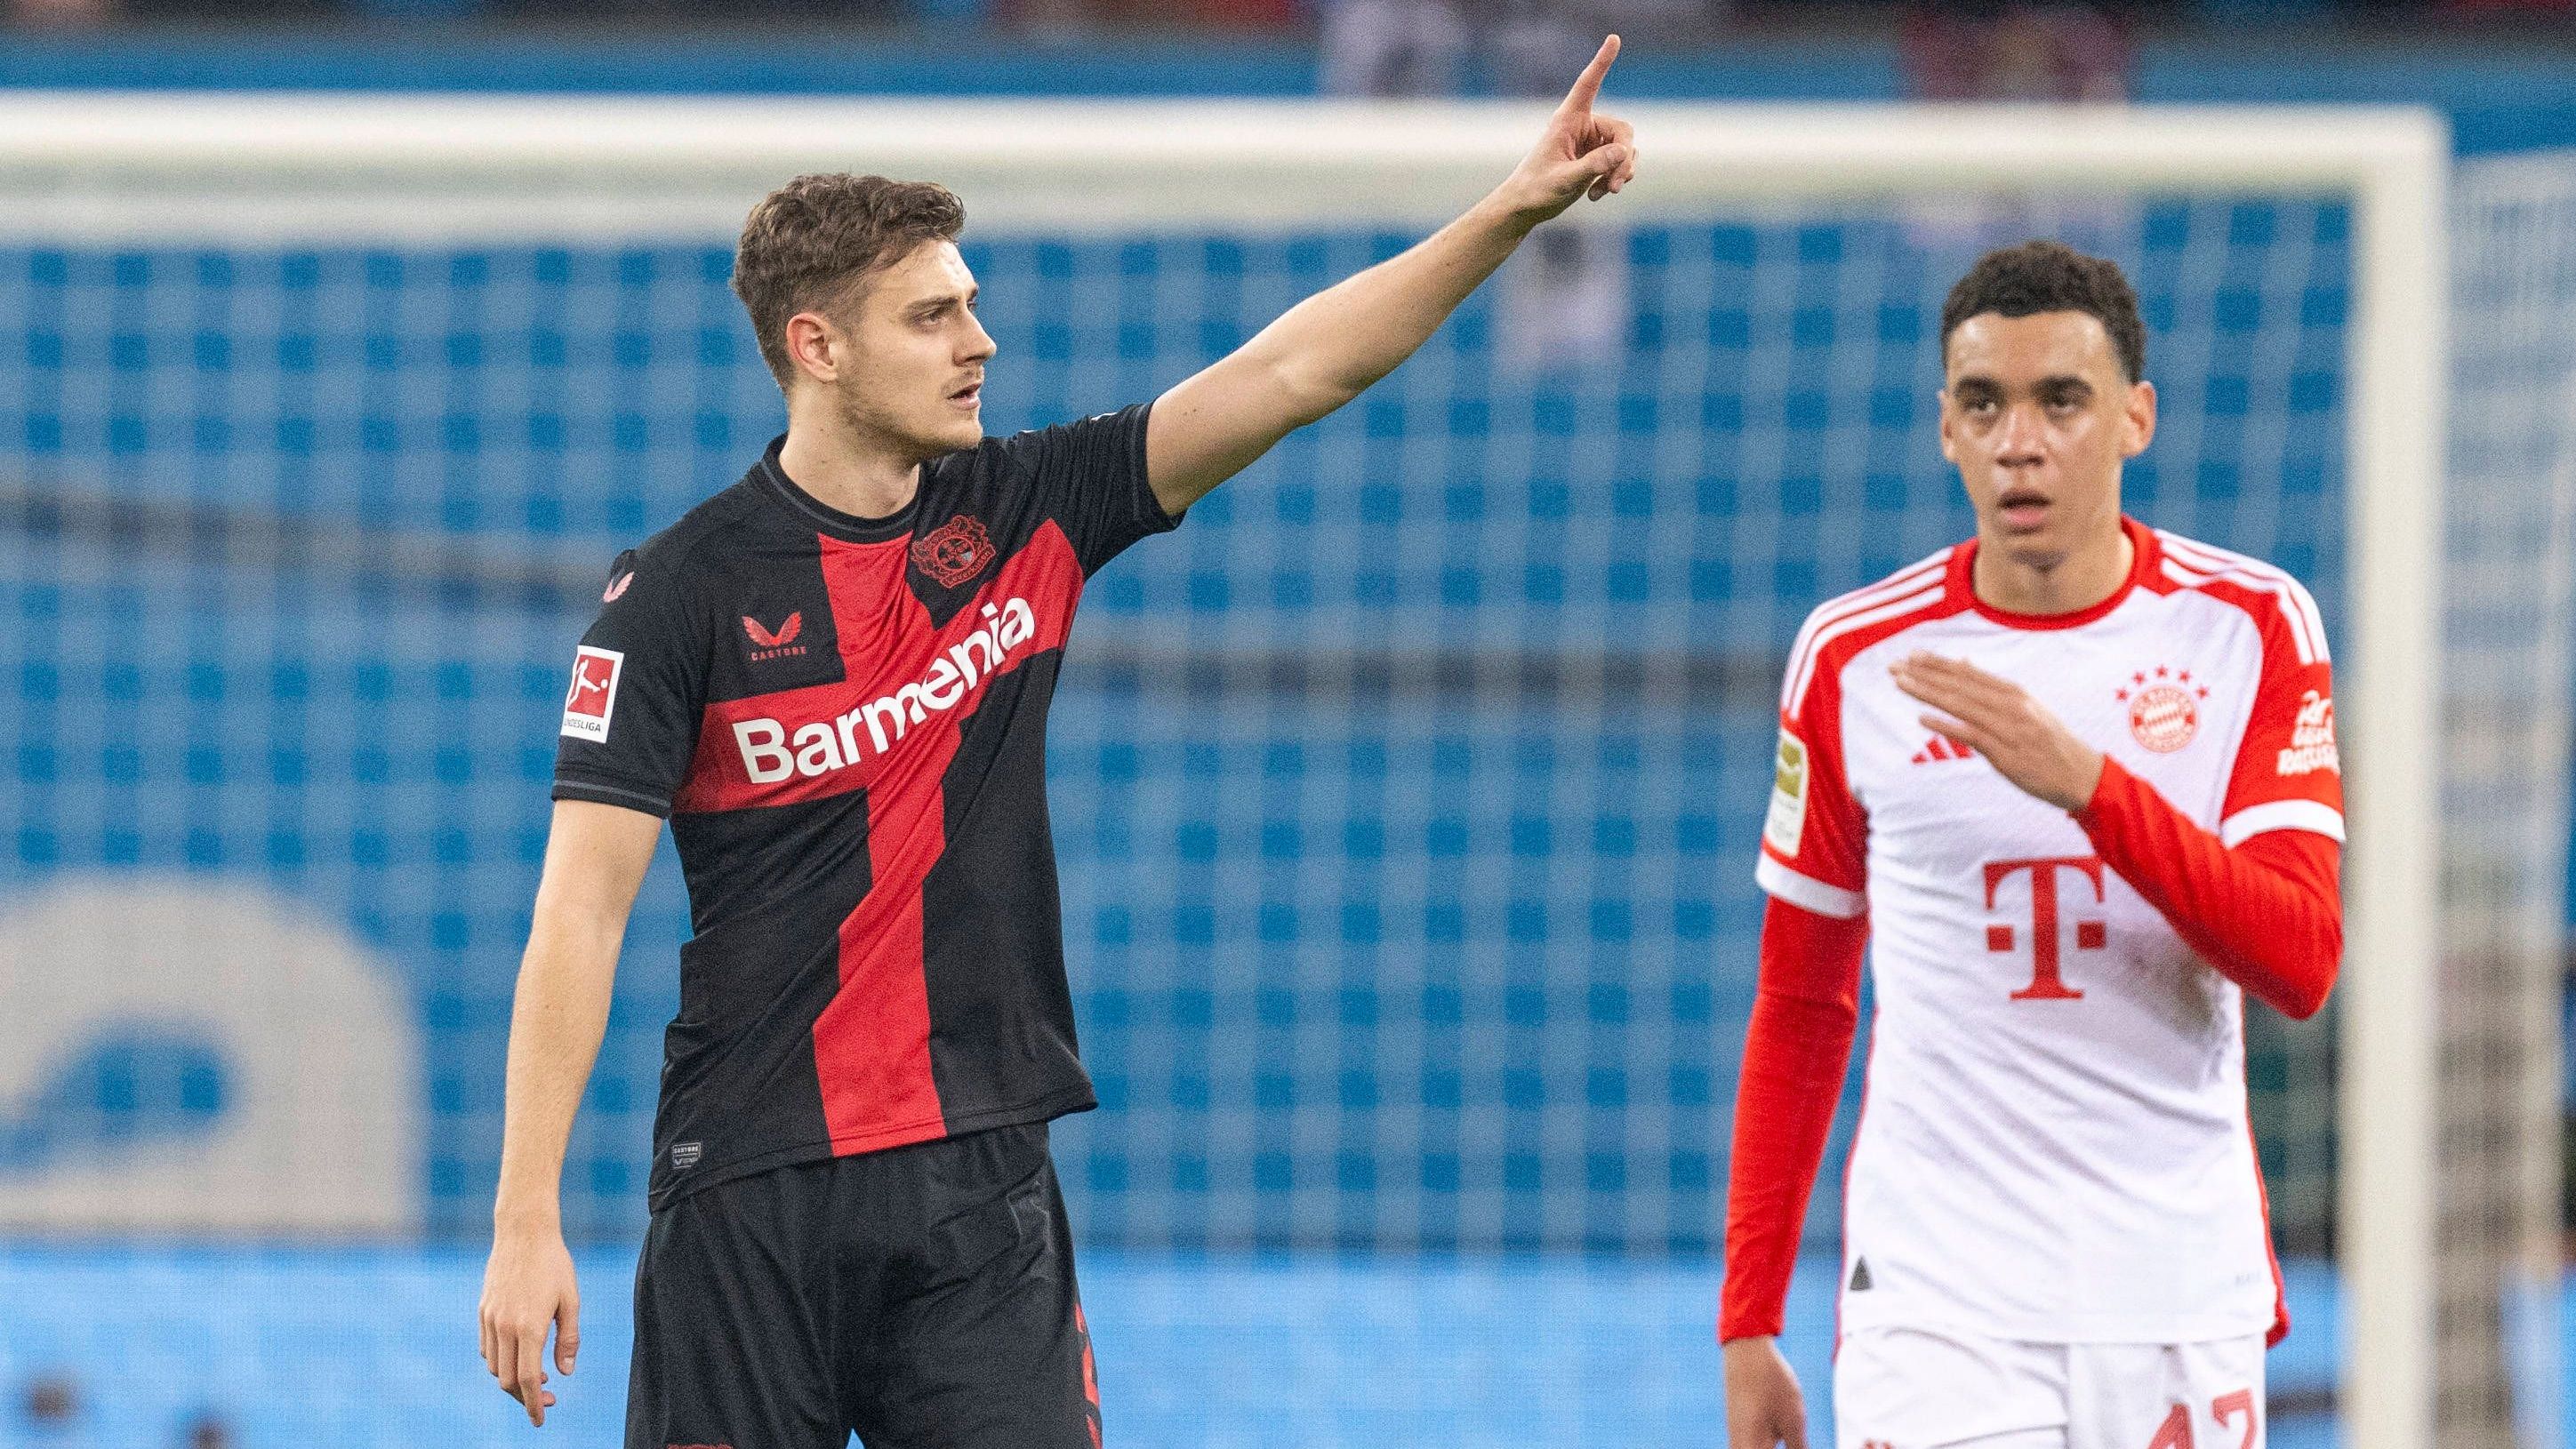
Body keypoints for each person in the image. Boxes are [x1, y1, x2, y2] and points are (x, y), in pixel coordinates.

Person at [477, 38, 1637, 1449]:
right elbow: (577, 913)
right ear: (816, 346)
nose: (980, 342)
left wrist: (1505, 212)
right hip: (750, 1190)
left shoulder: (1030, 507)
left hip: (980, 1185)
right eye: (931, 316)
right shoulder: (677, 593)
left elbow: (1290, 372)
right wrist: (525, 1216)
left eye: (970, 304)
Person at [1721, 240, 2344, 1449]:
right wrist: (1747, 1316)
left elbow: (2300, 957)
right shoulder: (1854, 658)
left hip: (2172, 1281)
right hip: (1939, 1299)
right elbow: (1801, 1000)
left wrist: (2089, 786)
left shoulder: (2250, 628)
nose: (2021, 439)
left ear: (2133, 418)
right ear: (1944, 429)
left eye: (2059, 399)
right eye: (1983, 402)